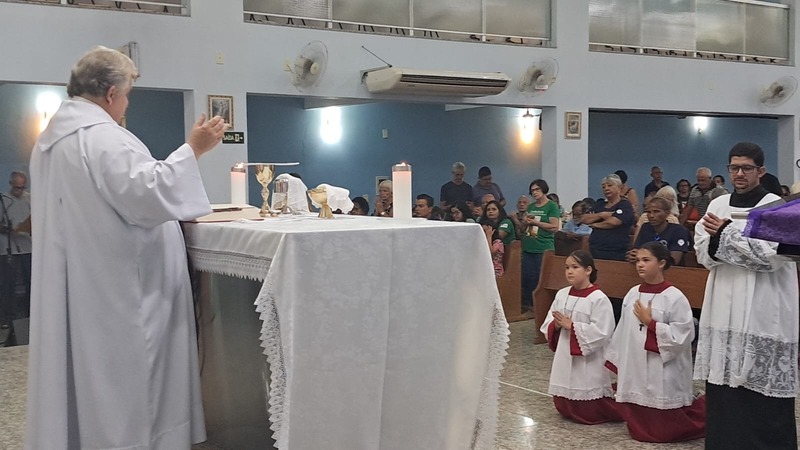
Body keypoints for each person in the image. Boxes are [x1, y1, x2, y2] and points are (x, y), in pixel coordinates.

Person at [25, 46, 228, 450]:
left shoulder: (52, 141)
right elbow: (147, 194)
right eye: (128, 94)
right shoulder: (102, 138)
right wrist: (194, 148)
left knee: (86, 374)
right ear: (112, 93)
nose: (126, 104)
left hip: (83, 281)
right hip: (121, 292)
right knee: (128, 380)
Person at [694, 142, 799, 449]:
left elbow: (770, 257)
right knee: (724, 387)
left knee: (760, 389)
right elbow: (703, 251)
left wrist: (726, 234)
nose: (739, 174)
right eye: (734, 167)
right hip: (723, 300)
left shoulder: (776, 207)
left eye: (746, 168)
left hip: (764, 305)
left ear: (760, 170)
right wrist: (725, 241)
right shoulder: (717, 205)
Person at [606, 242, 705, 443]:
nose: (640, 265)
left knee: (664, 427)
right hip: (635, 359)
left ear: (661, 263)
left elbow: (683, 334)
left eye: (646, 260)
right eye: (638, 260)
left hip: (661, 364)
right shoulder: (633, 293)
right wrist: (618, 358)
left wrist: (651, 323)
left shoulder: (674, 297)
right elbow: (623, 329)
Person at [540, 250, 620, 425]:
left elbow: (603, 331)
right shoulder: (562, 294)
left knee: (588, 400)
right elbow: (548, 322)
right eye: (567, 267)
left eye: (575, 267)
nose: (569, 271)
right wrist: (556, 325)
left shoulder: (598, 298)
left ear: (588, 270)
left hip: (588, 358)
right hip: (565, 350)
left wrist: (573, 326)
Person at [521, 179, 560, 318]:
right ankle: (529, 306)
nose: (535, 193)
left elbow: (554, 227)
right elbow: (525, 226)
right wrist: (525, 222)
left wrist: (536, 222)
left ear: (544, 190)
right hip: (529, 245)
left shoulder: (551, 206)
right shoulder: (531, 206)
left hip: (543, 247)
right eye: (532, 191)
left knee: (539, 278)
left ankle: (540, 307)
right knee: (527, 277)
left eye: (537, 189)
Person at [0, 171, 32, 328]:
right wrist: (9, 229)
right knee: (8, 284)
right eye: (17, 187)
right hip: (8, 249)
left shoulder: (30, 198)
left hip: (28, 247)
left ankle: (30, 314)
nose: (20, 190)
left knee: (30, 282)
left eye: (22, 187)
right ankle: (8, 318)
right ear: (11, 184)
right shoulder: (4, 200)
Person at [582, 174, 635, 261]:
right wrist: (601, 215)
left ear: (619, 187)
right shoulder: (599, 204)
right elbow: (585, 219)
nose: (606, 189)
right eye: (604, 187)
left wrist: (595, 224)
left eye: (610, 185)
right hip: (595, 249)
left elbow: (614, 222)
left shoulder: (625, 205)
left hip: (616, 251)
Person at [629, 197, 692, 266]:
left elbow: (674, 260)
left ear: (667, 213)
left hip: (673, 270)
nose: (651, 216)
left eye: (656, 211)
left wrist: (647, 258)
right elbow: (637, 250)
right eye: (648, 212)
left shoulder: (679, 230)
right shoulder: (645, 227)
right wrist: (633, 256)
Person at [480, 200, 515, 276]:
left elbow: (500, 236)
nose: (490, 212)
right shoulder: (483, 223)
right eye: (488, 210)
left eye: (494, 209)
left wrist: (489, 234)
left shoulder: (506, 222)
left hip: (499, 266)